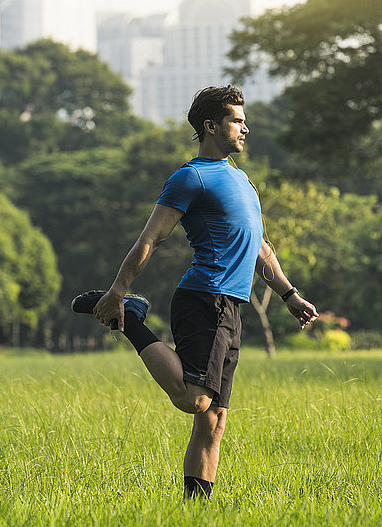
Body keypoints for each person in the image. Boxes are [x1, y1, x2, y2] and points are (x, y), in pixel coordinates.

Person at [90, 85, 318, 501]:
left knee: (214, 420)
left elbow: (260, 248)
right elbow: (151, 238)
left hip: (232, 305)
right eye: (237, 120)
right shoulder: (190, 177)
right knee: (195, 401)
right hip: (204, 297)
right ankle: (132, 321)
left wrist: (289, 295)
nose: (246, 128)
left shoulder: (242, 180)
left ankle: (197, 510)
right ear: (211, 126)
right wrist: (117, 290)